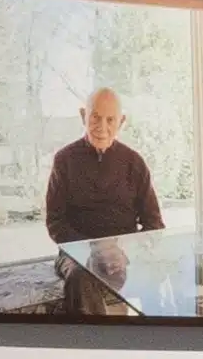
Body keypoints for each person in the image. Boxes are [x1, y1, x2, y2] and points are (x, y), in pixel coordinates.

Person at [43, 89, 162, 247]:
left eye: (110, 120)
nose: (102, 127)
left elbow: (154, 225)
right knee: (85, 273)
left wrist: (126, 249)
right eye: (95, 117)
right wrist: (93, 249)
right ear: (83, 116)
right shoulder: (64, 160)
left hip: (123, 255)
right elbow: (55, 222)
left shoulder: (134, 163)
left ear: (121, 122)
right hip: (79, 254)